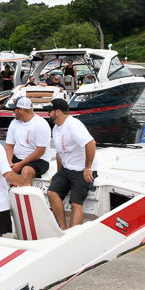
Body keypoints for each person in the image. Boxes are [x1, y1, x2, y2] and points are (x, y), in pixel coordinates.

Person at [44, 98, 98, 230]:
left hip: (82, 170)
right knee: (52, 193)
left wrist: (88, 168)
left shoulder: (73, 124)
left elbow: (91, 143)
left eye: (50, 111)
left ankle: (72, 234)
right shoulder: (55, 128)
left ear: (58, 112)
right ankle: (63, 228)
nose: (48, 114)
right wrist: (58, 174)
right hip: (67, 169)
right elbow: (59, 153)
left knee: (75, 203)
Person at [5, 97, 53, 185]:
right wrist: (9, 163)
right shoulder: (13, 123)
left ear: (21, 110)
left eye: (14, 109)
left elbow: (40, 151)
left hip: (39, 160)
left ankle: (27, 193)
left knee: (26, 171)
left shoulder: (41, 124)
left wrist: (20, 164)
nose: (13, 112)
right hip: (17, 159)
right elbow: (9, 145)